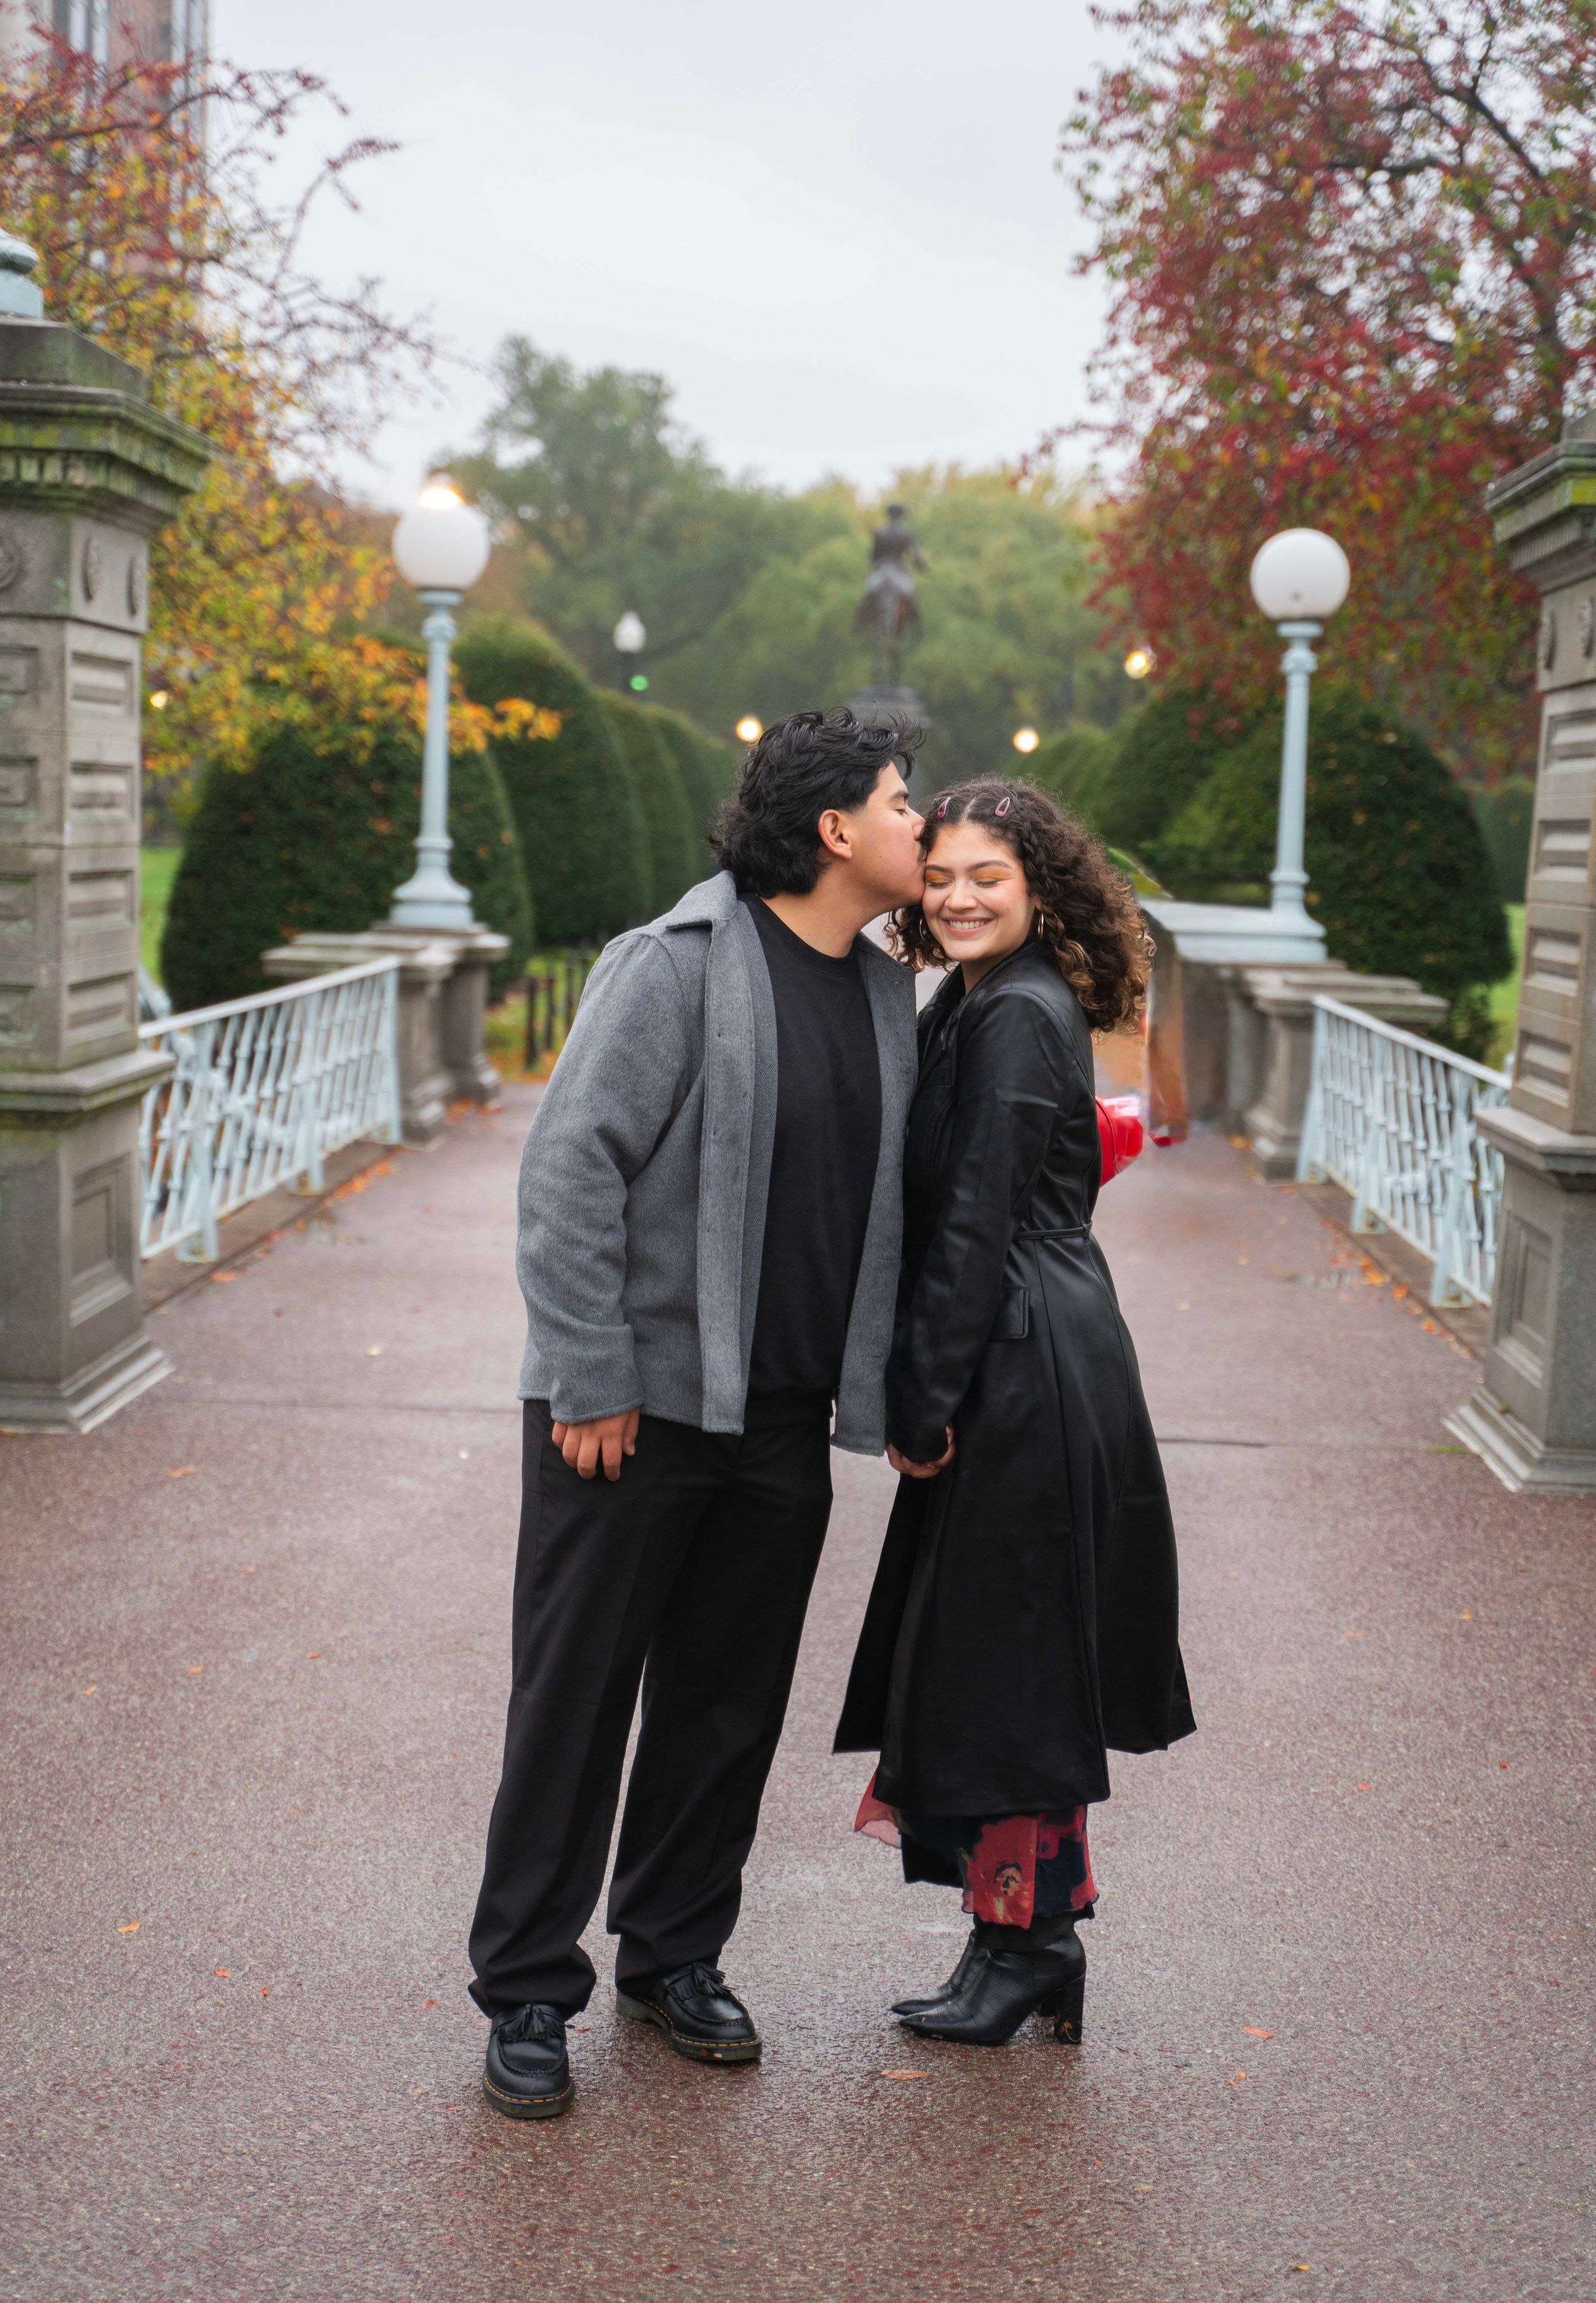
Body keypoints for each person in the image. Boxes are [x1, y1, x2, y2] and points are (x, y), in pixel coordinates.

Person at [470, 707, 925, 2119]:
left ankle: (675, 1954)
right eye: (903, 802)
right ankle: (530, 1988)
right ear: (835, 828)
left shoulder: (876, 995)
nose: (924, 822)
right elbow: (567, 1176)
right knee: (575, 1702)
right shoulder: (670, 967)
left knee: (724, 1708)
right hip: (629, 1414)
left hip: (779, 1419)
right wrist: (591, 1368)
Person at [834, 777, 1196, 2048]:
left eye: (986, 873)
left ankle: (1029, 1941)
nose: (956, 895)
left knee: (1010, 1669)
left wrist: (920, 1399)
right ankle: (1029, 1935)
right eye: (938, 875)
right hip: (1029, 1338)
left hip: (1018, 1357)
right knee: (1006, 1658)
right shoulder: (980, 1000)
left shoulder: (1013, 1015)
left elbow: (976, 1223)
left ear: (1038, 883)